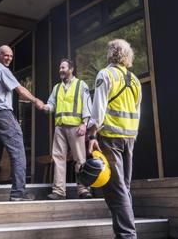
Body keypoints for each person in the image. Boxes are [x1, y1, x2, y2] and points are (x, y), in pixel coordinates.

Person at [0, 45, 45, 202]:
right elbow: (20, 90)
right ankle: (18, 193)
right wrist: (35, 100)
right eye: (5, 55)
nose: (9, 58)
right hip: (3, 115)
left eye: (10, 56)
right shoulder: (1, 70)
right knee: (18, 152)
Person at [87, 39, 142, 239]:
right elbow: (138, 110)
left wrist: (92, 135)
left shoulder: (106, 74)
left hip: (110, 138)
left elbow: (98, 109)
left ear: (111, 53)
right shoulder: (135, 80)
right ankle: (126, 234)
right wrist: (132, 136)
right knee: (123, 188)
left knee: (116, 190)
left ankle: (127, 236)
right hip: (129, 138)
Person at [44, 58, 92, 200]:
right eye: (60, 68)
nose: (61, 70)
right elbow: (51, 104)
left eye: (63, 67)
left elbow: (87, 105)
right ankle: (59, 191)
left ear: (71, 69)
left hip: (76, 127)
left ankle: (84, 190)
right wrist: (45, 107)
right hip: (60, 127)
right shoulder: (57, 88)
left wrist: (84, 123)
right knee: (58, 158)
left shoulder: (81, 85)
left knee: (80, 159)